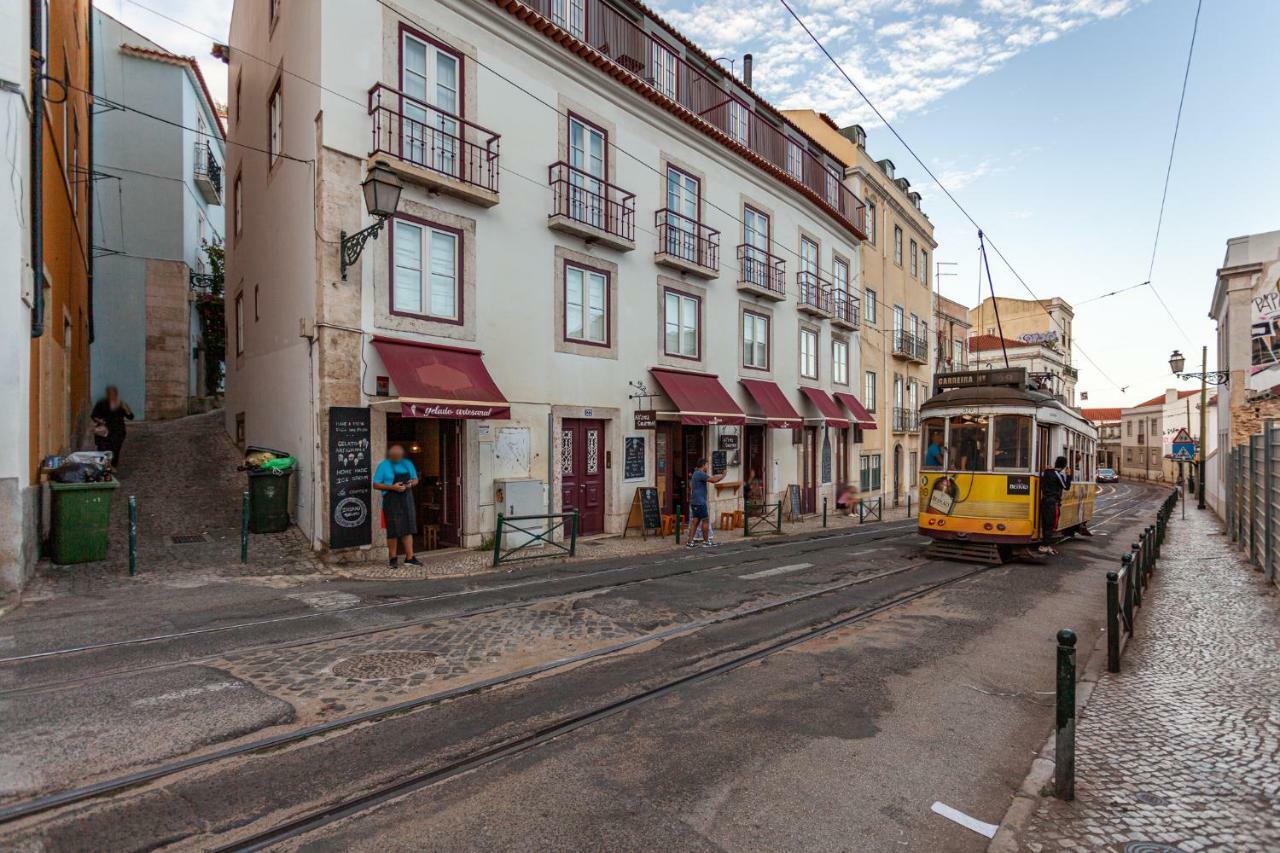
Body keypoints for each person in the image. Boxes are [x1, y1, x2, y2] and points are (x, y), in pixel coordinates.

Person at [373, 444, 422, 568]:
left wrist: (411, 484)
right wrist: (392, 487)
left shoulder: (407, 464)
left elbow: (415, 479)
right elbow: (375, 484)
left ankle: (410, 558)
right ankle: (393, 559)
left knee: (408, 527)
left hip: (407, 498)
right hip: (391, 499)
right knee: (393, 530)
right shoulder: (383, 465)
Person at [685, 457, 726, 547]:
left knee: (695, 521)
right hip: (700, 502)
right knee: (705, 520)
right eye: (707, 465)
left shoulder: (695, 474)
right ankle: (706, 542)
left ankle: (690, 542)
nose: (708, 466)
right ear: (703, 465)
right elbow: (713, 480)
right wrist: (723, 476)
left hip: (694, 501)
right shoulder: (700, 474)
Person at [91, 386, 134, 469]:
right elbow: (93, 416)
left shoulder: (121, 404)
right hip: (104, 431)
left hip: (118, 431)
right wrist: (100, 421)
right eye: (110, 394)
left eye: (113, 394)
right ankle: (103, 467)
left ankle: (112, 467)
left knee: (115, 450)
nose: (112, 396)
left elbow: (130, 417)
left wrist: (126, 409)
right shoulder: (101, 404)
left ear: (116, 394)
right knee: (102, 449)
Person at [1038, 455, 1072, 554]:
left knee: (1045, 523)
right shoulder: (1058, 475)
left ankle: (1046, 545)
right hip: (1053, 502)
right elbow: (1066, 487)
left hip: (1044, 500)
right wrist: (1069, 475)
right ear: (1064, 466)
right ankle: (1044, 546)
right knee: (1051, 524)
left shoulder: (1046, 472)